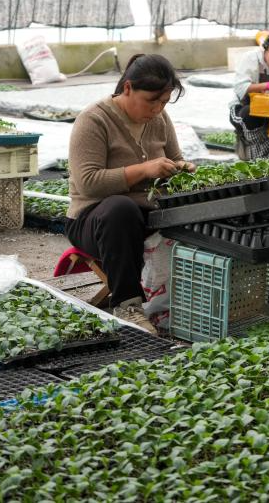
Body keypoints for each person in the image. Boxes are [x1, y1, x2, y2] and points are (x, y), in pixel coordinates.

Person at [65, 54, 194, 334]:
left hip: (147, 215)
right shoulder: (94, 120)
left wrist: (182, 168)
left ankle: (191, 301)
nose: (158, 109)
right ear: (127, 89)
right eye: (152, 101)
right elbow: (88, 182)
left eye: (164, 102)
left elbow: (175, 158)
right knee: (121, 209)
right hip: (96, 220)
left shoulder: (159, 119)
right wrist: (144, 169)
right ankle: (127, 304)